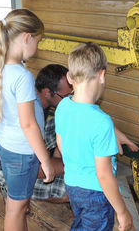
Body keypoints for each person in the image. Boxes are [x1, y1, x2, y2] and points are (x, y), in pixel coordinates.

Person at [0, 63, 138, 203]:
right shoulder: (28, 118)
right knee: (73, 190)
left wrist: (112, 130)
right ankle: (10, 190)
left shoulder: (40, 102)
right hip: (7, 168)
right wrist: (81, 163)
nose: (72, 99)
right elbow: (38, 170)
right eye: (67, 96)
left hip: (26, 154)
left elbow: (83, 114)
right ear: (46, 92)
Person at [0, 9, 55, 231]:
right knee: (16, 207)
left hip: (5, 143)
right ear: (26, 38)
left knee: (19, 206)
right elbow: (28, 124)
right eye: (38, 41)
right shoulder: (22, 75)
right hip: (21, 153)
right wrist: (45, 161)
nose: (38, 47)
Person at [55, 42, 133, 231]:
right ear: (102, 75)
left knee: (82, 223)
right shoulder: (102, 122)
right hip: (96, 193)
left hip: (72, 185)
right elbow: (104, 175)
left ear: (70, 78)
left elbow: (61, 144)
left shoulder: (63, 106)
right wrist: (122, 212)